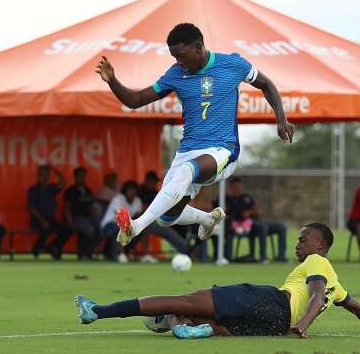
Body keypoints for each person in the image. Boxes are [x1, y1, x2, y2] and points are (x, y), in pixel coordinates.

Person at [94, 22, 294, 249]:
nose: (178, 62)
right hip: (188, 149)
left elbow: (266, 84)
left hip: (222, 150)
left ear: (198, 47)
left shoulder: (233, 64)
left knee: (186, 171)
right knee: (166, 217)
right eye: (174, 57)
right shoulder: (175, 74)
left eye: (181, 55)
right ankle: (207, 219)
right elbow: (135, 100)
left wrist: (281, 119)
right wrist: (112, 80)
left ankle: (136, 226)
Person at [75, 223, 360, 339]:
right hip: (275, 326)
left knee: (185, 301)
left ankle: (98, 311)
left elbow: (314, 296)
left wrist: (305, 325)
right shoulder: (337, 286)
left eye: (303, 240)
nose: (298, 245)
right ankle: (191, 329)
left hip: (273, 303)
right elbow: (358, 309)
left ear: (321, 246)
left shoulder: (318, 262)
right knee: (215, 323)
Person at [224, 178, 287, 263]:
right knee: (262, 227)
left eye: (239, 186)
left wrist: (249, 212)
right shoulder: (227, 199)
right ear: (230, 188)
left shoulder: (246, 197)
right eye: (235, 187)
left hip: (255, 221)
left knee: (281, 227)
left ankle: (281, 257)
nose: (237, 189)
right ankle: (263, 257)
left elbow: (258, 210)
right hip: (240, 225)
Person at [27, 165, 72, 260]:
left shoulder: (51, 188)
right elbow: (32, 208)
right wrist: (42, 220)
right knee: (47, 228)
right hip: (37, 219)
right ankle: (37, 248)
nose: (45, 176)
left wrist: (55, 170)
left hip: (50, 219)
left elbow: (64, 182)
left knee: (67, 229)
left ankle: (53, 246)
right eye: (43, 174)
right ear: (38, 175)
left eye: (47, 174)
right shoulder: (33, 190)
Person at [101, 180, 144, 263]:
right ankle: (121, 254)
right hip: (109, 224)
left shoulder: (137, 200)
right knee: (121, 227)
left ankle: (138, 254)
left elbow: (138, 216)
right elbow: (121, 217)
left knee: (141, 229)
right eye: (130, 189)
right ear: (125, 190)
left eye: (134, 189)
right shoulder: (118, 199)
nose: (132, 192)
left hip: (127, 225)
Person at [64, 167, 99, 260]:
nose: (82, 178)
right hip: (77, 218)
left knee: (100, 228)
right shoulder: (70, 190)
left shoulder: (88, 190)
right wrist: (69, 221)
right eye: (80, 176)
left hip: (89, 218)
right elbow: (67, 208)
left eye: (84, 176)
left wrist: (96, 217)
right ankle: (83, 254)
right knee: (89, 230)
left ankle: (89, 252)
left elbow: (92, 206)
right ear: (75, 177)